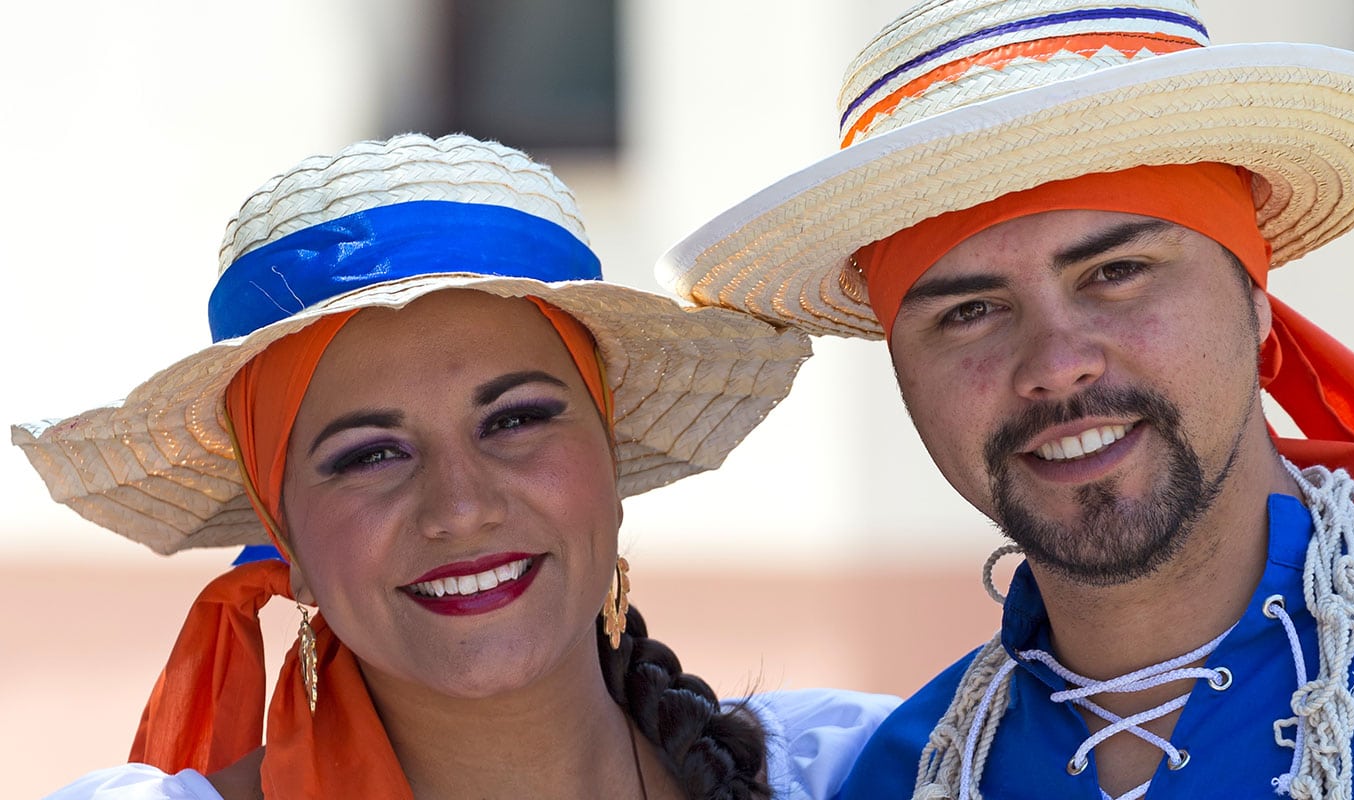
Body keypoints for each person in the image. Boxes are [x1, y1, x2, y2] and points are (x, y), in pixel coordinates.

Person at [658, 1, 1354, 798]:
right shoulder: (917, 771)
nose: (1056, 364)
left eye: (1117, 272)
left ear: (1257, 305)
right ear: (903, 373)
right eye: (972, 311)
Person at [16, 133, 896, 800]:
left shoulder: (870, 773)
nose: (461, 506)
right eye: (370, 455)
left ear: (609, 454)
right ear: (281, 527)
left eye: (514, 420)